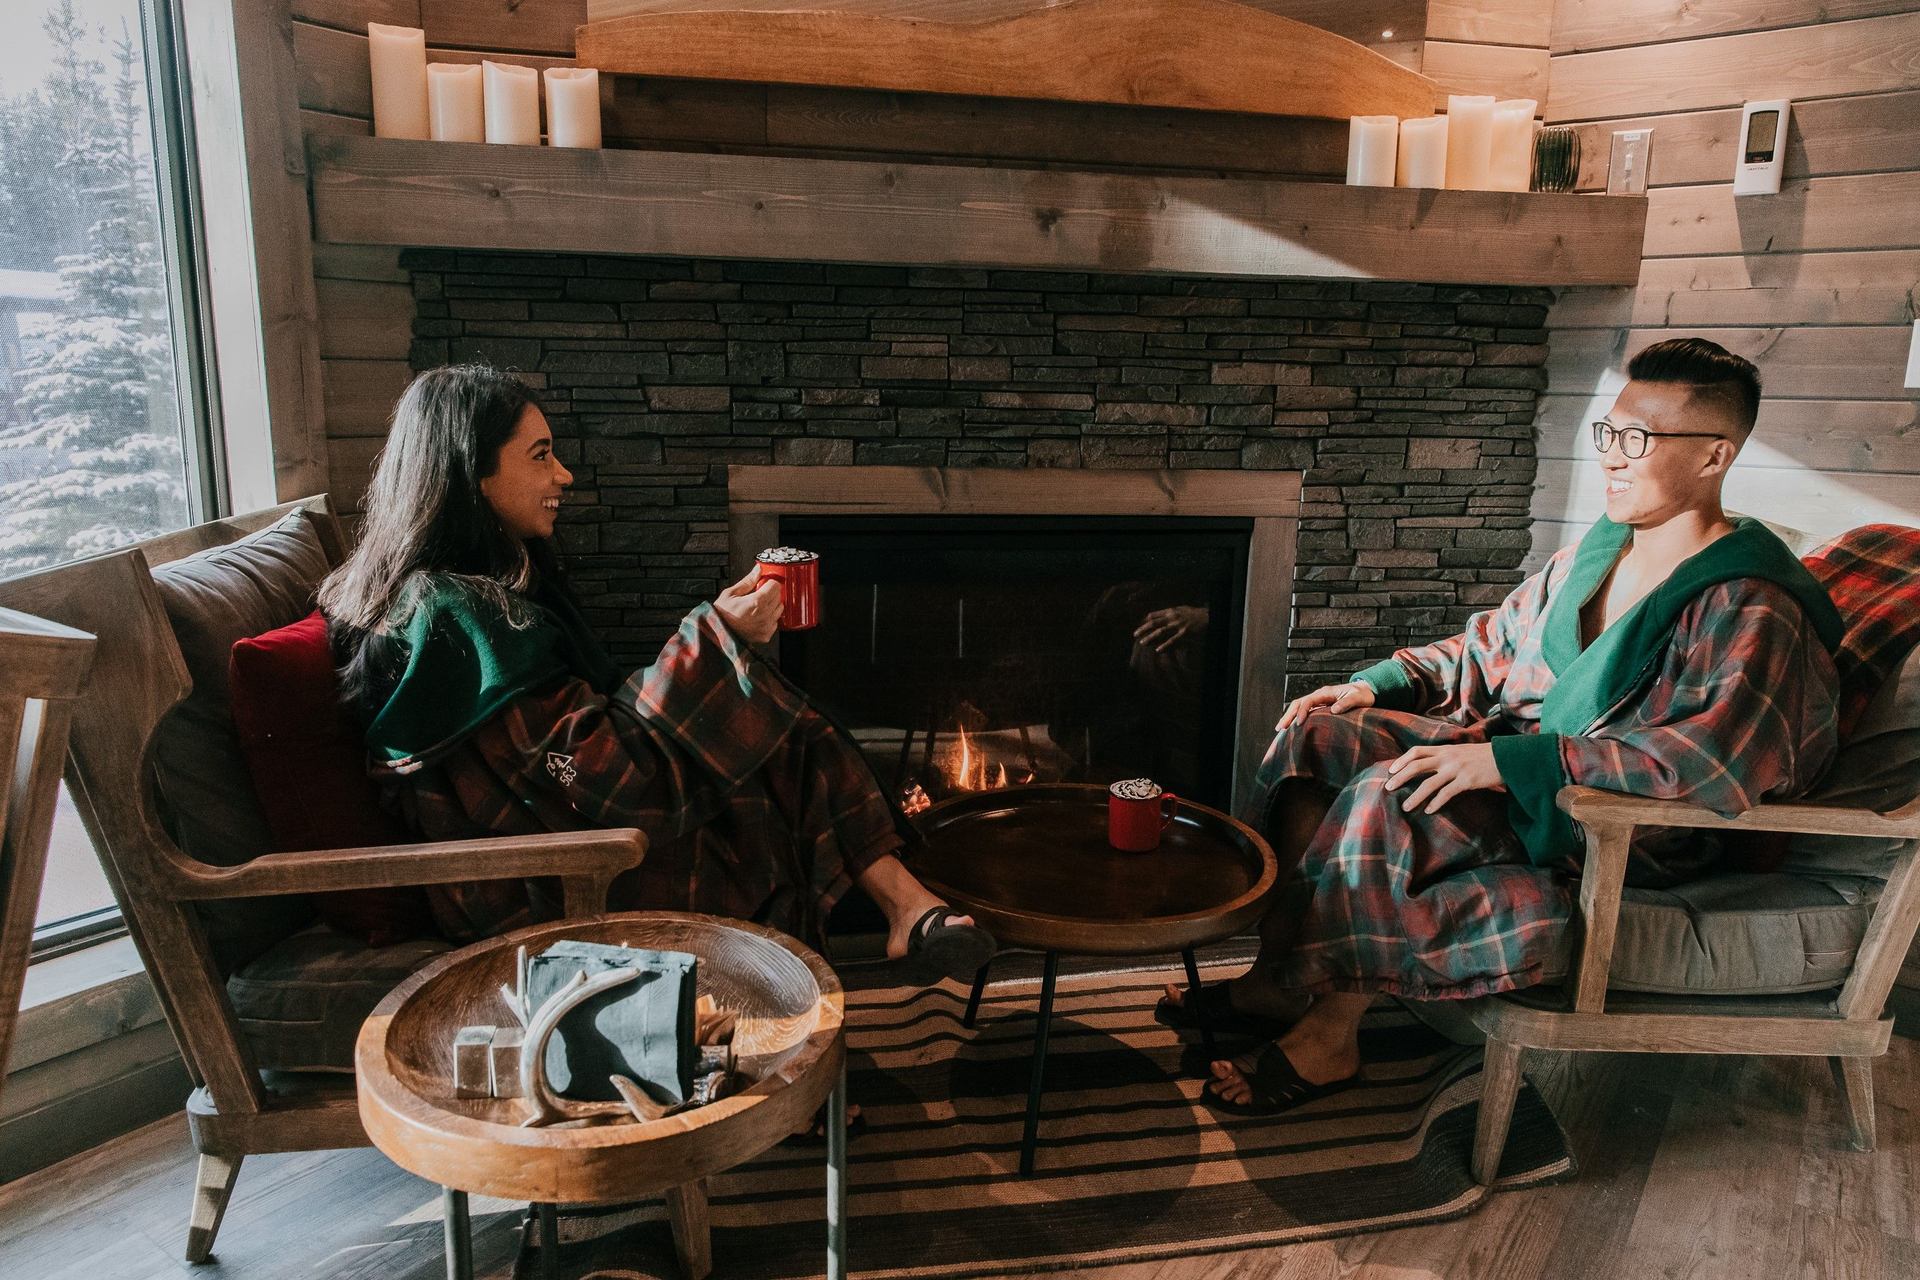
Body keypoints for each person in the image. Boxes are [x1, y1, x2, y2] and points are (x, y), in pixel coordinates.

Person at [1159, 337, 1844, 1115]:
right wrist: (1376, 684)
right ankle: (1278, 977)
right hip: (1517, 767)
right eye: (1608, 433)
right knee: (1316, 737)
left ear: (1715, 456)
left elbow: (1710, 759)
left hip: (1617, 824)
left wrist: (1518, 766)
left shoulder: (1749, 602)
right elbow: (1486, 647)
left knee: (1391, 789)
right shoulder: (1600, 552)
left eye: (1639, 441)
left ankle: (1330, 1036)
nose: (1612, 459)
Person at [319, 364, 995, 986]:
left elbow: (583, 744)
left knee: (769, 729)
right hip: (549, 883)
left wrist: (718, 649)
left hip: (567, 834)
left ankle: (908, 909)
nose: (564, 476)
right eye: (540, 455)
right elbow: (605, 778)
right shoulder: (451, 620)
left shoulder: (467, 596)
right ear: (472, 472)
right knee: (769, 740)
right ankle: (899, 915)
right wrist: (719, 638)